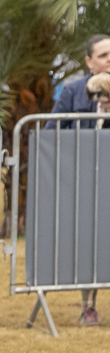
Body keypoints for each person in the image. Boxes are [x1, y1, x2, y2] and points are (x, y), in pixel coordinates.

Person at [45, 34, 110, 326]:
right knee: (90, 243)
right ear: (89, 61)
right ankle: (88, 307)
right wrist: (91, 98)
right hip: (87, 180)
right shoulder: (73, 91)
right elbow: (50, 132)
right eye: (104, 55)